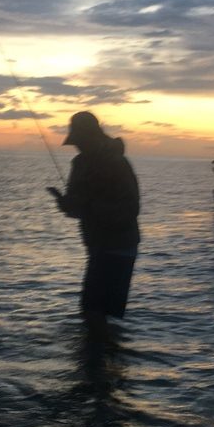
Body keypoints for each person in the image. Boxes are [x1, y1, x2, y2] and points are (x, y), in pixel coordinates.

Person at [48, 112, 140, 331]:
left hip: (118, 246)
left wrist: (86, 207)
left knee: (94, 312)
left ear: (91, 137)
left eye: (80, 141)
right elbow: (78, 209)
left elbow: (131, 209)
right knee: (96, 314)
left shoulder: (117, 163)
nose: (77, 146)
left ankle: (96, 361)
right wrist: (66, 204)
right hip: (99, 246)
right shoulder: (80, 164)